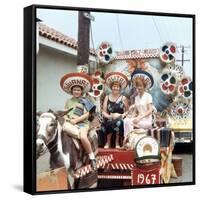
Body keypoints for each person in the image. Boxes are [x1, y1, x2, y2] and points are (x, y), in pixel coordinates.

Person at [60, 72, 97, 170]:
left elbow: (88, 114)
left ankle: (92, 158)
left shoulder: (85, 100)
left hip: (82, 124)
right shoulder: (68, 101)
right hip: (70, 123)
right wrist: (67, 118)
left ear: (81, 91)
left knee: (83, 137)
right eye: (75, 90)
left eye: (78, 90)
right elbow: (65, 113)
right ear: (72, 91)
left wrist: (76, 120)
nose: (76, 92)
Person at [123, 70, 154, 139]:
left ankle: (130, 140)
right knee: (126, 120)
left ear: (144, 86)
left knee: (129, 122)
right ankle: (127, 139)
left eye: (140, 86)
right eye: (137, 86)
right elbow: (135, 111)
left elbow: (150, 110)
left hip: (146, 121)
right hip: (138, 119)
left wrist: (139, 118)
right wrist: (131, 117)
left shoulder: (148, 96)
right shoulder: (136, 97)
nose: (139, 88)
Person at [102, 72, 129, 149]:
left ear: (120, 88)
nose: (115, 88)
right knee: (109, 122)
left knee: (119, 122)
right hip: (109, 117)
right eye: (114, 86)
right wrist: (110, 116)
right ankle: (108, 142)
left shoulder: (123, 98)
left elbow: (127, 111)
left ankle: (117, 142)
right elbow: (104, 111)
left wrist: (121, 116)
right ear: (111, 87)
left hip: (119, 118)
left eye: (117, 87)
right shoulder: (107, 97)